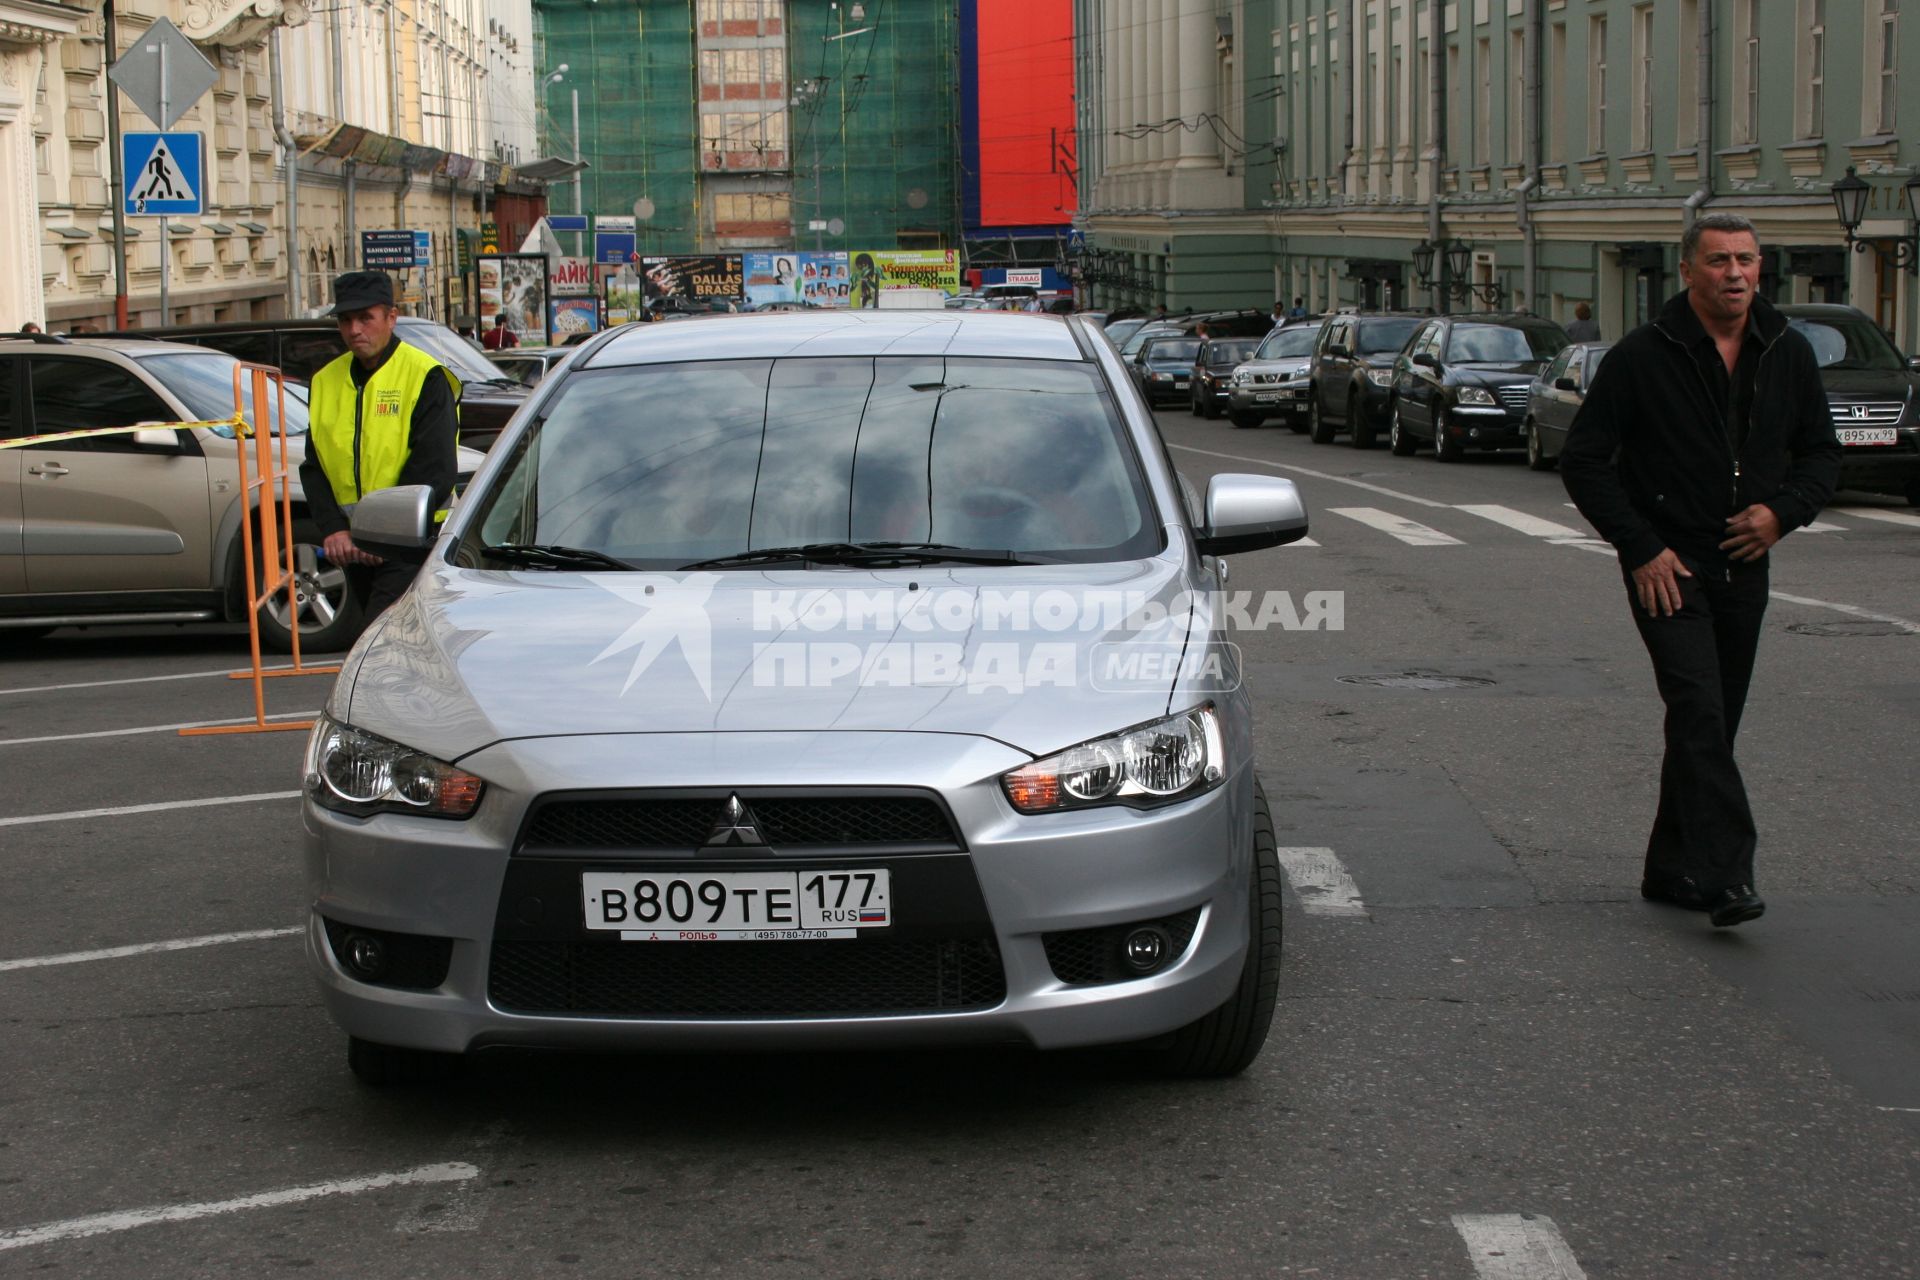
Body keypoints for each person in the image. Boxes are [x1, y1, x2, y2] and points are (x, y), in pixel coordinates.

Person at [1560, 213, 1839, 929]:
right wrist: (1640, 546)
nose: (1736, 274)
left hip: (1744, 565)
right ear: (1687, 271)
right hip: (1669, 566)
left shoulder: (1787, 350)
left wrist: (1784, 512)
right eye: (1719, 261)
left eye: (1747, 260)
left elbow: (1820, 456)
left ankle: (1669, 868)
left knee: (1714, 724)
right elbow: (1585, 462)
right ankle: (1726, 876)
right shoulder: (1643, 356)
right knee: (1698, 710)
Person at [300, 271, 460, 624]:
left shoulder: (425, 375)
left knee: (378, 639)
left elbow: (435, 470)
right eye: (345, 320)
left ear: (391, 317)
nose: (355, 330)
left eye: (365, 318)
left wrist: (384, 533)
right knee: (395, 650)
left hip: (414, 543)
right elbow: (315, 466)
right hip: (356, 546)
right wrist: (334, 529)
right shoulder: (326, 380)